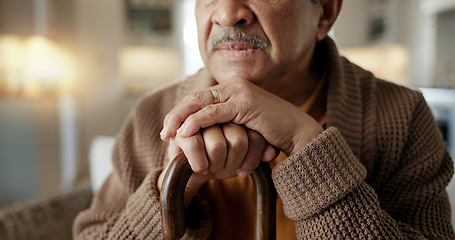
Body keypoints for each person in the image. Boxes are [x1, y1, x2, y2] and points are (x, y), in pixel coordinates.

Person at [73, 0, 455, 239]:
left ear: (324, 11)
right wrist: (170, 192)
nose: (225, 12)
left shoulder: (402, 116)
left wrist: (308, 146)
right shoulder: (151, 115)